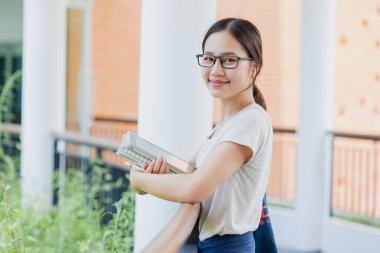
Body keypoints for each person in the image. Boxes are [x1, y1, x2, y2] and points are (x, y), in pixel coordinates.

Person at [130, 17, 273, 253]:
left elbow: (194, 188)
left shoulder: (251, 120)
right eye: (209, 59)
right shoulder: (227, 124)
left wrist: (138, 180)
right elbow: (190, 172)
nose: (215, 70)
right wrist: (154, 172)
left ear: (254, 67)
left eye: (229, 60)